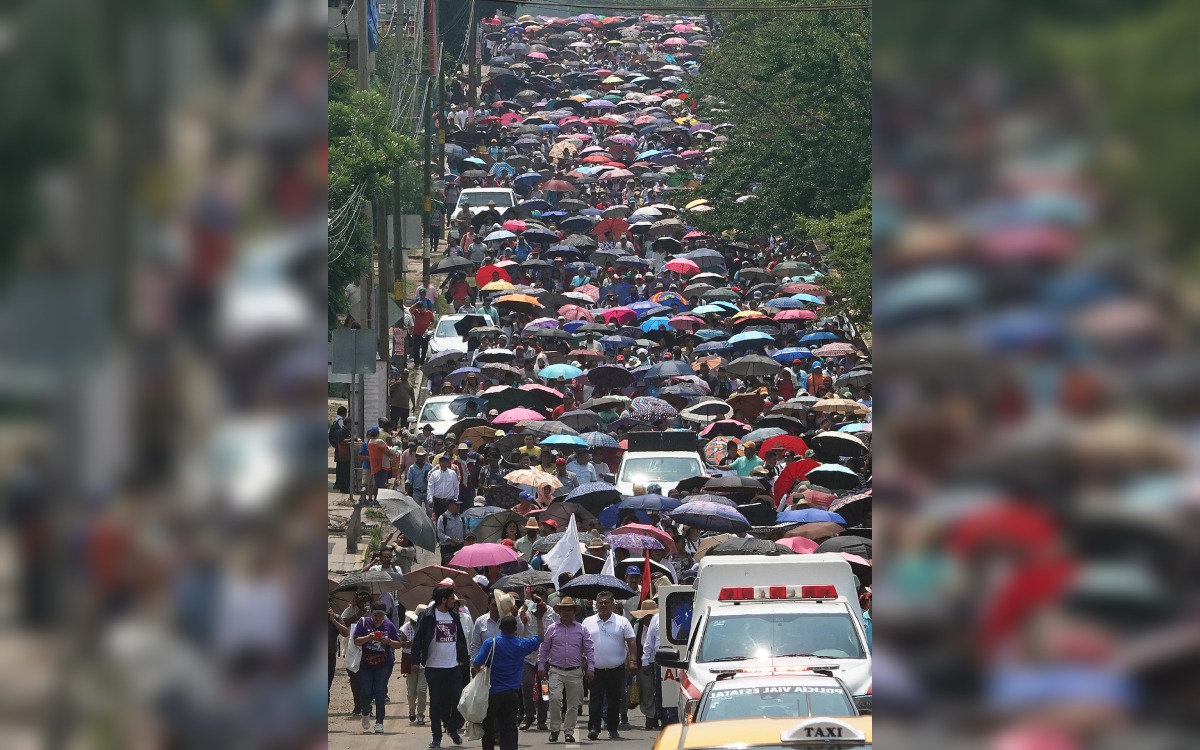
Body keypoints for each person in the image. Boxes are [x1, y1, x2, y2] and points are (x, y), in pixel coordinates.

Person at [472, 606, 549, 750]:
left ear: (500, 627)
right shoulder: (521, 644)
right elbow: (541, 638)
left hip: (492, 692)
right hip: (512, 693)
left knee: (488, 726)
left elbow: (477, 663)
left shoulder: (491, 643)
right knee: (509, 728)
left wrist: (476, 676)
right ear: (515, 629)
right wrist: (539, 618)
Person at [412, 586, 471, 749]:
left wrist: (463, 659)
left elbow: (460, 638)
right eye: (452, 598)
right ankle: (436, 737)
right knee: (436, 703)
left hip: (453, 666)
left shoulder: (454, 614)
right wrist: (415, 661)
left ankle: (452, 728)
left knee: (457, 699)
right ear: (444, 600)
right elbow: (417, 639)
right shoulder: (428, 615)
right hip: (433, 666)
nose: (454, 601)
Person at [537, 596, 595, 744]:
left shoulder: (581, 629)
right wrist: (541, 666)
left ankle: (569, 732)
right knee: (554, 699)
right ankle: (555, 729)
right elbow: (544, 648)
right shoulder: (552, 628)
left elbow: (589, 649)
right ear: (559, 611)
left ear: (574, 612)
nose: (567, 612)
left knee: (573, 704)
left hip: (575, 672)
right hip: (556, 670)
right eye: (564, 609)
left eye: (570, 609)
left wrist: (591, 668)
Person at [582, 592, 637, 740]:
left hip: (616, 668)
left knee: (615, 700)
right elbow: (582, 642)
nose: (604, 605)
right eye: (601, 603)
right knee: (595, 699)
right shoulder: (588, 621)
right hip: (595, 669)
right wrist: (582, 661)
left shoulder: (622, 621)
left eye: (607, 603)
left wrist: (632, 661)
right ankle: (594, 727)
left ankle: (613, 728)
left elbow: (631, 640)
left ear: (613, 605)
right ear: (596, 605)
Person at [352, 601, 403, 734]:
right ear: (371, 614)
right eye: (375, 615)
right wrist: (368, 637)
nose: (378, 618)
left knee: (379, 690)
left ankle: (379, 722)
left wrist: (388, 641)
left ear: (384, 615)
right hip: (366, 662)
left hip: (384, 663)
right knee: (366, 690)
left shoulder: (389, 626)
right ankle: (365, 712)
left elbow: (398, 644)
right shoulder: (364, 623)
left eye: (381, 615)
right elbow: (356, 640)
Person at [629, 599, 661, 730]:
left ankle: (659, 716)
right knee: (647, 693)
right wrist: (636, 662)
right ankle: (650, 718)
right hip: (644, 663)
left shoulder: (660, 623)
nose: (648, 618)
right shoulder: (638, 626)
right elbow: (634, 644)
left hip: (659, 661)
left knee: (659, 692)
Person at [400, 604, 429, 725]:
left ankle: (420, 714)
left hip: (425, 661)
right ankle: (412, 709)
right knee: (411, 691)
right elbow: (401, 643)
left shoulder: (428, 628)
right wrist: (413, 643)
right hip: (410, 660)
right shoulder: (406, 627)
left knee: (421, 690)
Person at [429, 454, 463, 519]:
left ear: (448, 463)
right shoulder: (434, 474)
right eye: (442, 462)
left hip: (449, 501)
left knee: (449, 518)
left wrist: (455, 498)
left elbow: (456, 487)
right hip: (437, 501)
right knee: (438, 519)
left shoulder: (452, 473)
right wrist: (430, 499)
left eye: (445, 462)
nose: (443, 463)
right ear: (439, 463)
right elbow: (430, 487)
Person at [437, 497, 468, 565]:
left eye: (459, 505)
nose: (458, 507)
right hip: (447, 548)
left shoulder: (461, 517)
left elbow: (465, 531)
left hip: (460, 547)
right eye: (456, 505)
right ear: (450, 505)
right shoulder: (443, 518)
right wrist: (451, 540)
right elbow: (440, 534)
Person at [330, 405, 352, 492]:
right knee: (343, 469)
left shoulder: (335, 420)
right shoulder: (341, 423)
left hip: (338, 449)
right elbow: (341, 439)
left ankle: (339, 484)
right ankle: (342, 485)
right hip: (342, 451)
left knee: (340, 467)